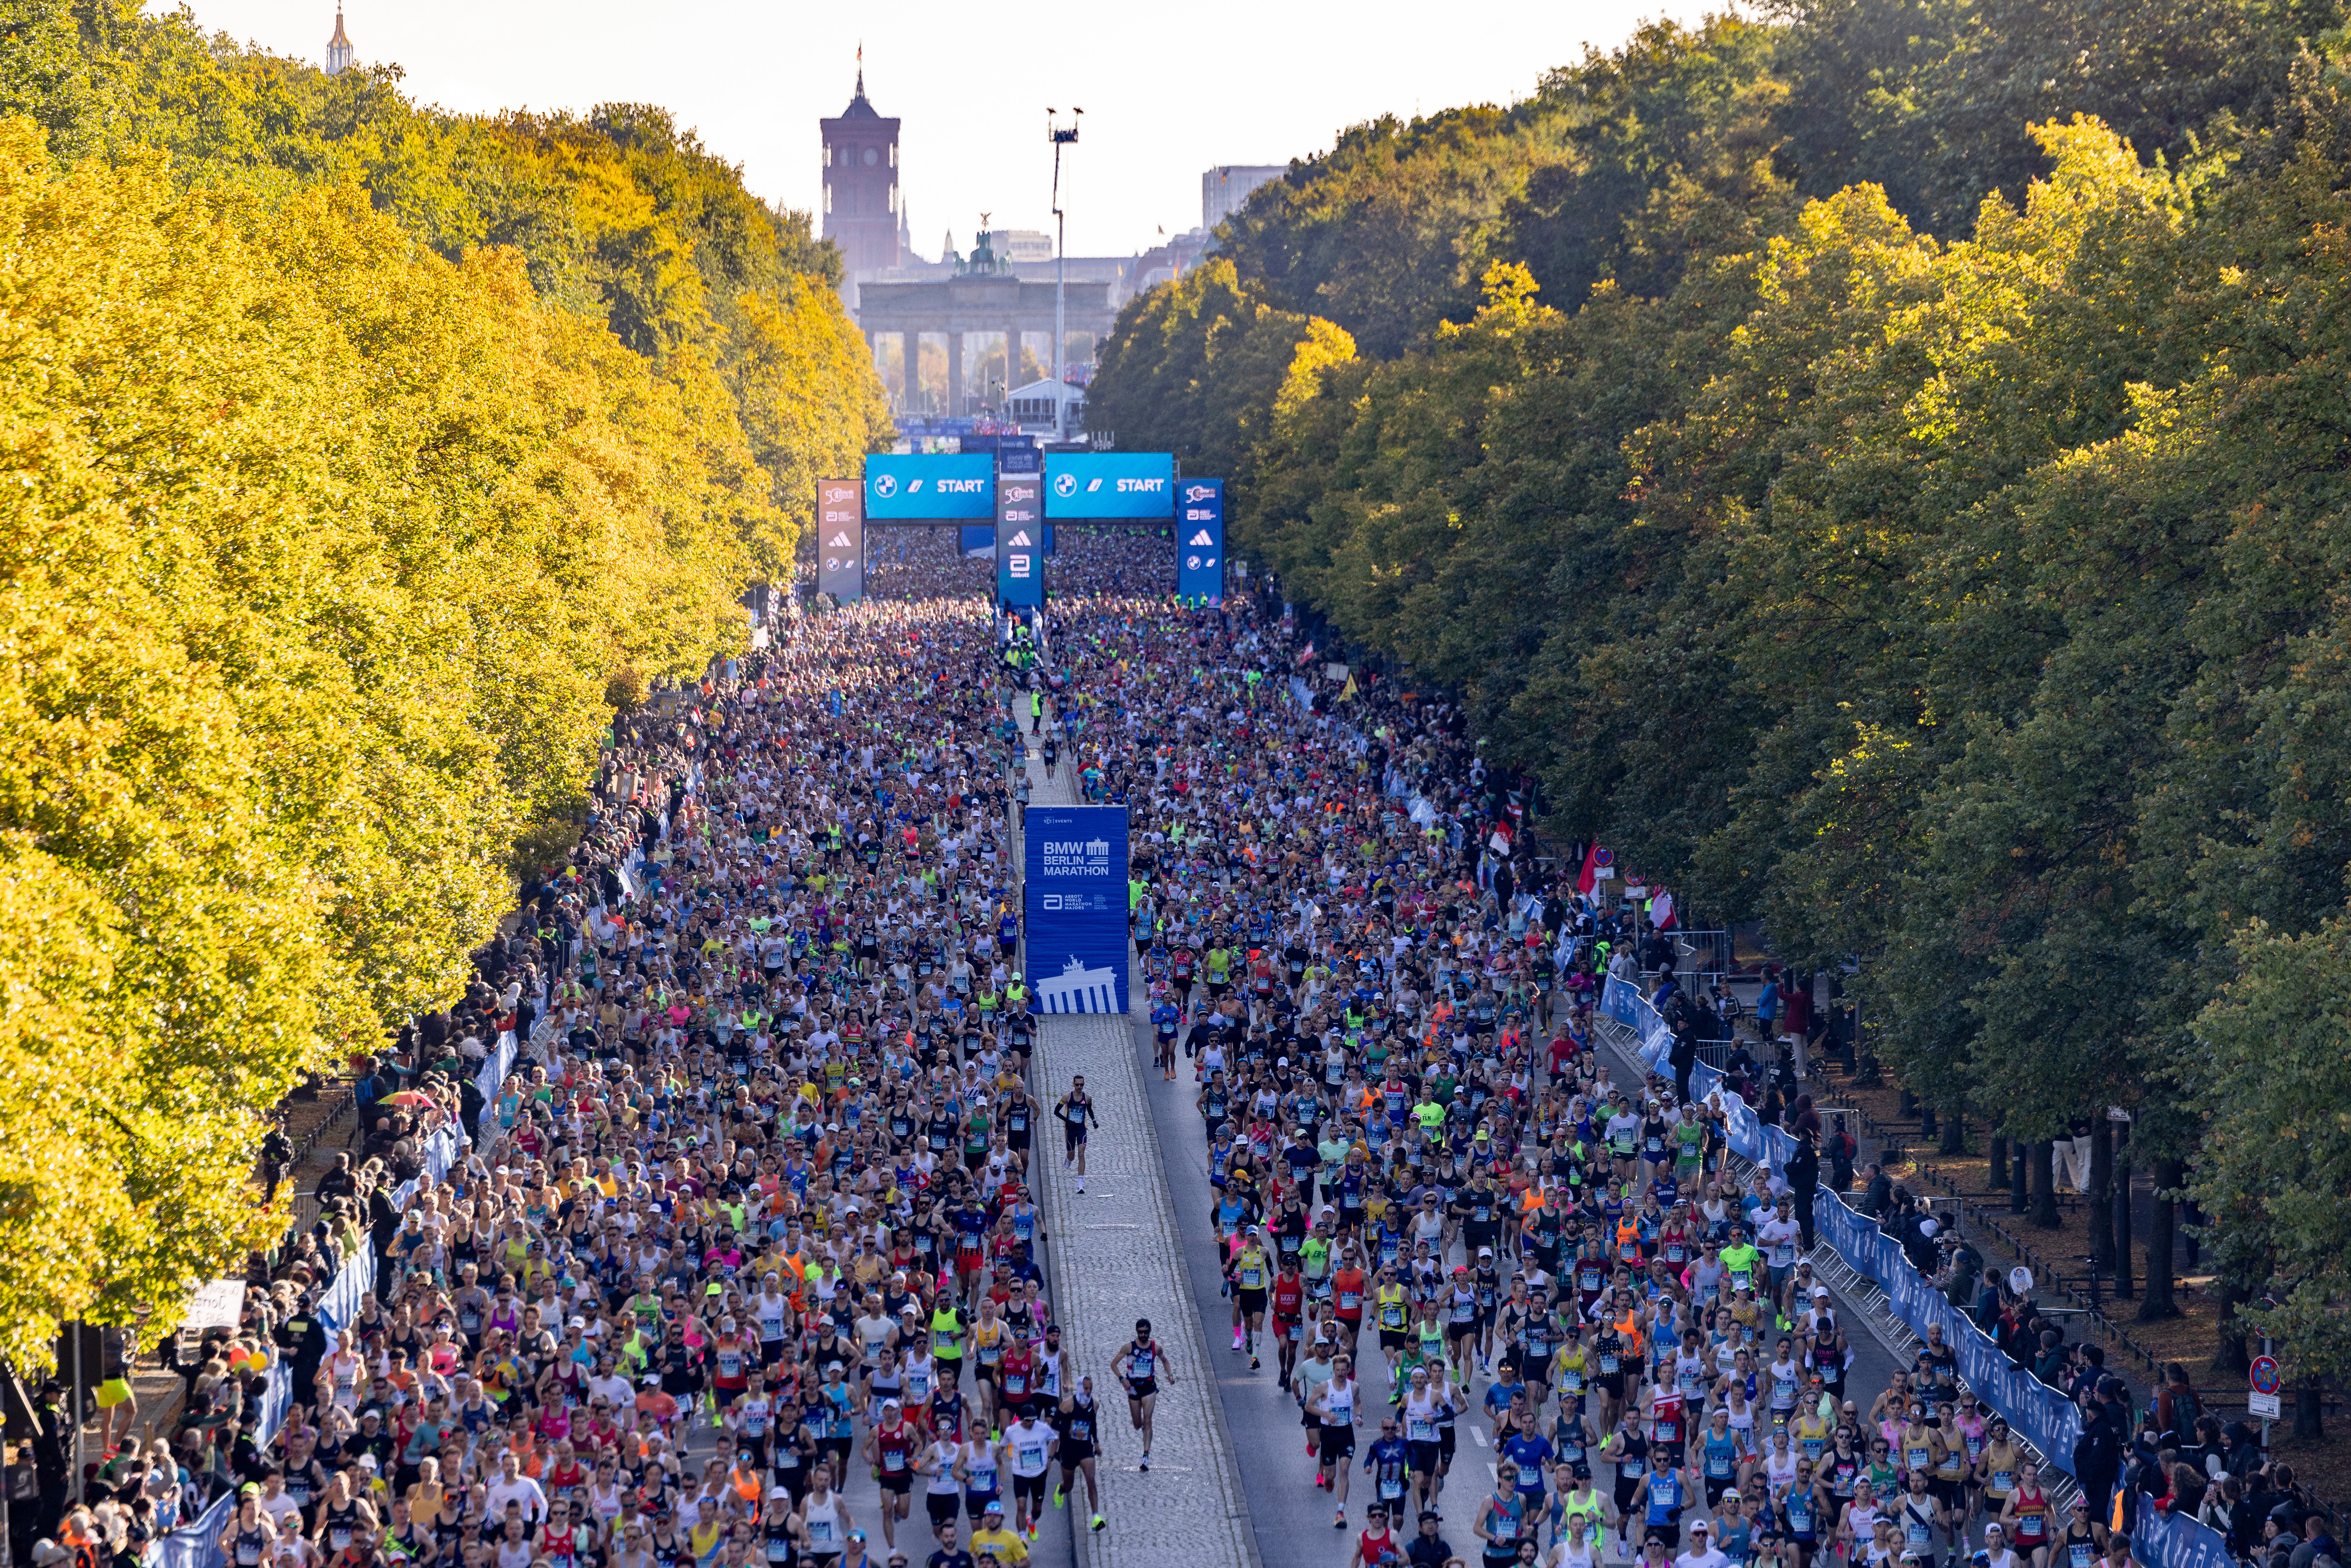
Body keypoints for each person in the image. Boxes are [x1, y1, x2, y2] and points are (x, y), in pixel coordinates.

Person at [1109, 1319, 1168, 1473]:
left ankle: (1146, 1457)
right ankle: (1145, 1429)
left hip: (1150, 1388)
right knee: (1138, 1424)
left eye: (1146, 1332)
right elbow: (1114, 1364)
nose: (1143, 1335)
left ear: (1150, 1332)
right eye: (1140, 1332)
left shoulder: (1156, 1347)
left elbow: (1165, 1360)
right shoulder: (1129, 1347)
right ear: (1137, 1332)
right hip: (1134, 1390)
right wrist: (1122, 1379)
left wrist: (1170, 1375)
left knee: (1148, 1420)